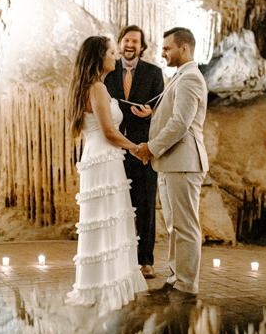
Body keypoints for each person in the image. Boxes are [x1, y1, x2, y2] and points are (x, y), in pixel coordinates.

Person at [65, 36, 148, 315]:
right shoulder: (98, 88)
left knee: (103, 220)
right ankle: (108, 284)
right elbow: (110, 133)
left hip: (98, 157)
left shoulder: (89, 87)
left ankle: (100, 282)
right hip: (104, 160)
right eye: (111, 52)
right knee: (107, 219)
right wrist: (137, 149)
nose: (116, 56)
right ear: (100, 57)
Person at [135, 27, 209, 304]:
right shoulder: (180, 77)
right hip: (171, 162)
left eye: (167, 48)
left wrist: (150, 147)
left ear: (184, 49)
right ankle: (175, 279)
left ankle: (187, 285)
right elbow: (174, 115)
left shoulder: (190, 78)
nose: (163, 53)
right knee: (175, 226)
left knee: (186, 226)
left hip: (184, 162)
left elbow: (180, 123)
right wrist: (154, 114)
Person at [105, 25, 164, 280]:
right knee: (116, 205)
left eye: (135, 42)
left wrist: (152, 113)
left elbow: (163, 110)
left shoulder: (154, 73)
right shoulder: (107, 71)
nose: (130, 45)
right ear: (120, 44)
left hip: (143, 149)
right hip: (114, 147)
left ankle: (145, 261)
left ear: (142, 47)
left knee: (146, 205)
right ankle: (118, 257)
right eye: (126, 40)